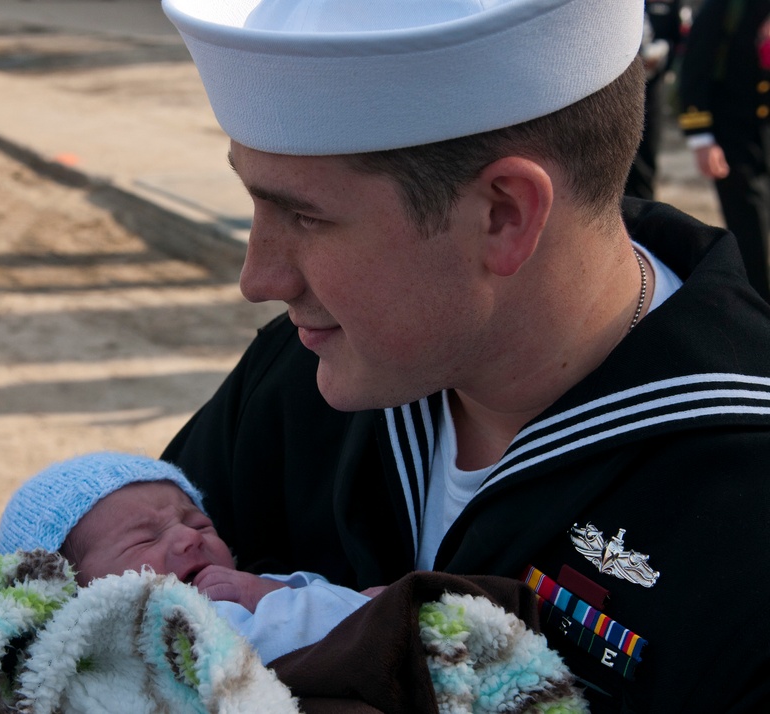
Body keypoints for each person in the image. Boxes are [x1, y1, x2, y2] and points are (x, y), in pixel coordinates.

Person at [157, 0, 770, 711]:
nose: (258, 277)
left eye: (304, 217)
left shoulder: (744, 513)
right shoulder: (304, 378)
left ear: (503, 215)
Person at [0, 450, 372, 664]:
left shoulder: (225, 599)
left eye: (201, 524)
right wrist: (369, 605)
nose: (189, 538)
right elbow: (324, 631)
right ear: (69, 593)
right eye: (146, 539)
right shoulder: (151, 635)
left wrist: (269, 588)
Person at [678, 0, 770, 299]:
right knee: (753, 236)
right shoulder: (725, 7)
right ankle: (758, 312)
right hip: (733, 139)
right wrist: (701, 138)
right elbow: (694, 70)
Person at [626, 0, 684, 199]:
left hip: (652, 89)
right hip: (617, 90)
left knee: (646, 156)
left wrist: (663, 55)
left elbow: (680, 39)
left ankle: (643, 218)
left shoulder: (670, 4)